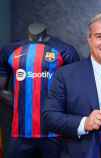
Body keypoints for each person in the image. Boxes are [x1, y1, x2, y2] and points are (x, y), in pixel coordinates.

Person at [43, 12, 101, 158]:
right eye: (99, 36)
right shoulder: (65, 75)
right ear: (89, 39)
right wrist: (85, 123)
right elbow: (49, 117)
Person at [0, 23, 80, 158]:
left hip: (54, 134)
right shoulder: (9, 50)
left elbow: (75, 91)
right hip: (20, 133)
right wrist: (19, 102)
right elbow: (0, 89)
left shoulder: (65, 50)